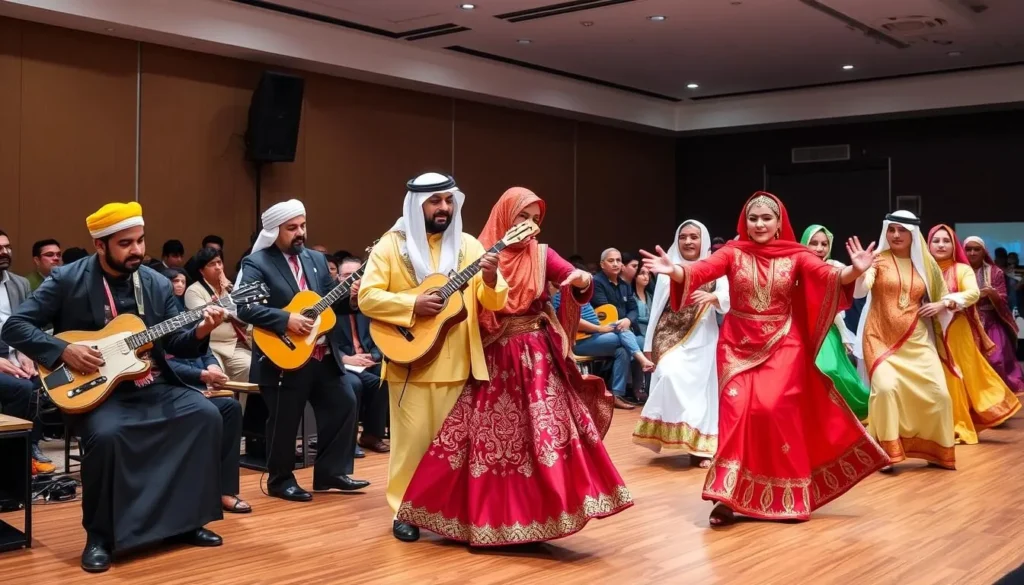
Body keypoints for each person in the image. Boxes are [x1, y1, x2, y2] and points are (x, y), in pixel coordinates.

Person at [395, 187, 631, 545]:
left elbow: (575, 279)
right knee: (476, 440)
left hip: (536, 358)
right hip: (490, 354)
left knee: (544, 436)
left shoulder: (541, 255)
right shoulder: (473, 250)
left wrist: (582, 281)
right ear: (505, 216)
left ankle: (539, 516)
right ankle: (469, 516)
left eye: (536, 220)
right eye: (522, 217)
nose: (530, 226)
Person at [1, 202, 228, 573]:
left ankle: (185, 522)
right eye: (125, 243)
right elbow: (15, 328)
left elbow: (174, 342)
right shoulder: (67, 279)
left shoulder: (155, 282)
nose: (137, 250)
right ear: (100, 245)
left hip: (150, 385)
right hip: (93, 393)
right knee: (107, 437)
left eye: (140, 240)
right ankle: (100, 537)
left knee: (205, 415)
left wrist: (201, 329)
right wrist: (65, 350)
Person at [642, 191, 888, 526]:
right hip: (736, 346)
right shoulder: (733, 251)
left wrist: (852, 272)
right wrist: (677, 272)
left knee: (772, 411)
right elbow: (702, 270)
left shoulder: (797, 255)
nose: (759, 224)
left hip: (784, 343)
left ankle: (787, 495)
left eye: (766, 218)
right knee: (737, 414)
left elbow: (826, 277)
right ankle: (725, 498)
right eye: (753, 218)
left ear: (778, 222)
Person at [358, 172, 508, 542]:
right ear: (416, 205)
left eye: (448, 200)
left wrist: (490, 280)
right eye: (434, 201)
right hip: (410, 362)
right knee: (411, 446)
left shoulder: (470, 247)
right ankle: (405, 511)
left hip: (459, 361)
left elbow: (495, 301)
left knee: (457, 446)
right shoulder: (391, 247)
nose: (443, 208)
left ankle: (450, 513)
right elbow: (367, 297)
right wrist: (412, 303)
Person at [236, 199, 368, 502]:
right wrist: (286, 319)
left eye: (303, 226)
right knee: (285, 420)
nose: (300, 233)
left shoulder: (316, 260)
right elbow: (245, 307)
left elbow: (328, 305)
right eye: (292, 228)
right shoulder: (256, 263)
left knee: (344, 402)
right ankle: (280, 481)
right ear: (274, 230)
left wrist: (350, 299)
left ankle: (331, 473)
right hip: (282, 356)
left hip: (322, 355)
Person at [853, 211, 956, 472]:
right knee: (886, 390)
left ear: (913, 235)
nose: (896, 235)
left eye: (902, 230)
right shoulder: (878, 261)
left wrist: (940, 304)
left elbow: (944, 296)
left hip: (916, 339)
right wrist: (858, 270)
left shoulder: (927, 264)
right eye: (892, 230)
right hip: (879, 337)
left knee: (940, 395)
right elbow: (860, 290)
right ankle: (886, 453)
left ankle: (936, 450)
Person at [633, 220, 728, 465]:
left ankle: (698, 448)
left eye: (694, 237)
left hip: (703, 338)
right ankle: (672, 434)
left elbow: (728, 298)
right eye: (683, 236)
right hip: (669, 338)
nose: (688, 241)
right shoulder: (668, 268)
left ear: (702, 240)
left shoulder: (715, 268)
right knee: (669, 375)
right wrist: (648, 346)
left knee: (700, 393)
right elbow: (656, 310)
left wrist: (714, 297)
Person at [926, 224, 1020, 444]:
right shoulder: (921, 270)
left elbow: (973, 293)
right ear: (927, 244)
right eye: (936, 240)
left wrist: (946, 302)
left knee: (957, 375)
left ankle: (957, 424)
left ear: (953, 245)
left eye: (946, 240)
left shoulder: (962, 270)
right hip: (926, 332)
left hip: (957, 330)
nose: (941, 245)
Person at [800, 225, 870, 420]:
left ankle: (832, 417)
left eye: (824, 244)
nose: (820, 248)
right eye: (814, 243)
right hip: (798, 331)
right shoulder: (795, 266)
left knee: (828, 370)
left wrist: (859, 271)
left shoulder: (834, 266)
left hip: (826, 330)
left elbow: (858, 291)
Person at [336, 255, 389, 454]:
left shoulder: (371, 304)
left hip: (366, 360)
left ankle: (371, 436)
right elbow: (325, 341)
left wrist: (372, 357)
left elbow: (383, 338)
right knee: (356, 384)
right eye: (347, 276)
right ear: (338, 279)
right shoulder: (330, 306)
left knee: (384, 376)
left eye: (357, 275)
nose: (352, 280)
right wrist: (346, 359)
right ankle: (348, 442)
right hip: (341, 363)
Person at [963, 236, 1024, 394]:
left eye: (976, 249)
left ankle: (999, 394)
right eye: (968, 249)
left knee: (996, 359)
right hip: (966, 321)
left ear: (984, 252)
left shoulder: (995, 271)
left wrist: (991, 293)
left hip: (991, 321)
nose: (972, 253)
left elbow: (1003, 298)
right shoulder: (959, 270)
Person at [185, 246, 251, 382]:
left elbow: (244, 314)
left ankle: (241, 404)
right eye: (212, 264)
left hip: (233, 345)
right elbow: (206, 315)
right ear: (202, 271)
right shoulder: (193, 290)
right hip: (210, 347)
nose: (218, 267)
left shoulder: (230, 288)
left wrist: (228, 295)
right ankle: (225, 403)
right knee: (216, 376)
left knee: (249, 366)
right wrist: (227, 310)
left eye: (219, 262)